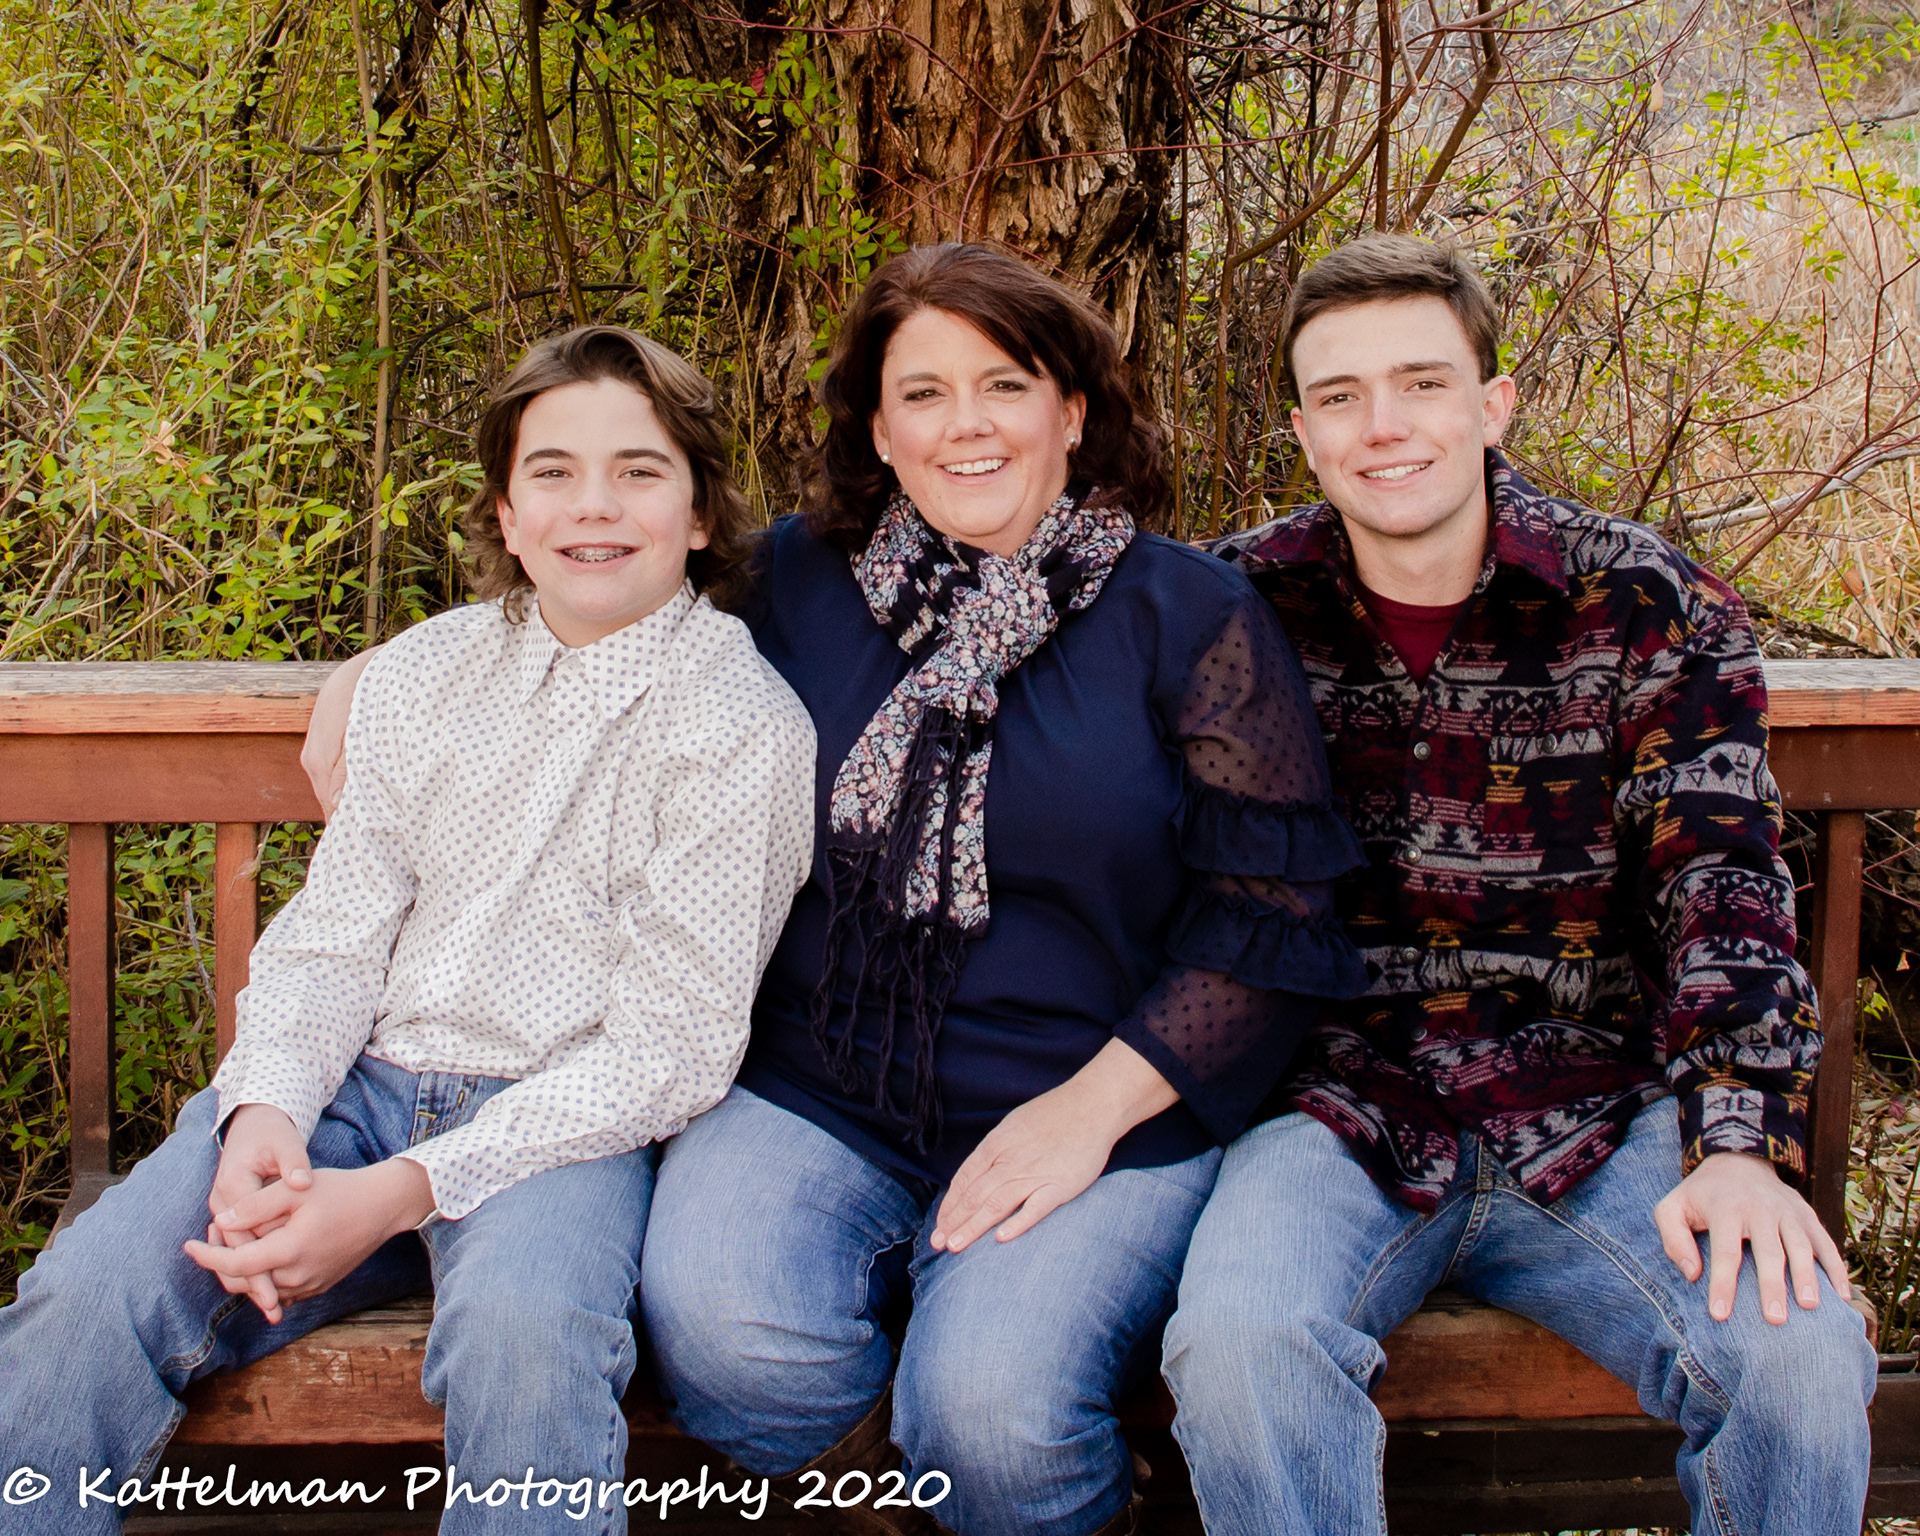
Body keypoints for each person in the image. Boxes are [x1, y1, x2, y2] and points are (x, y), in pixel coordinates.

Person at [299, 243, 1369, 1536]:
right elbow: (597, 595)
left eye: (1005, 385)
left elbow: (1268, 922)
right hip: (824, 1083)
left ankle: (1047, 1500)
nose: (965, 424)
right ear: (877, 428)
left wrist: (1088, 1113)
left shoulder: (1191, 618)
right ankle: (900, 1497)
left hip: (1092, 1099)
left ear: (1074, 411)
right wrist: (378, 669)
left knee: (993, 1421)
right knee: (727, 1335)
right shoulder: (794, 584)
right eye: (922, 393)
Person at [0, 326, 815, 1536]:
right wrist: (267, 1109)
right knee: (88, 1296)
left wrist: (396, 1195)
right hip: (353, 1091)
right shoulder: (423, 677)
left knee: (526, 1343)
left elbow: (669, 1052)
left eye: (640, 471)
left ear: (699, 513)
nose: (595, 505)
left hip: (564, 1130)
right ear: (507, 512)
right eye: (553, 472)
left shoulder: (738, 725)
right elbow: (333, 937)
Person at [1161, 233, 1877, 1535]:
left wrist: (1737, 1145)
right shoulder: (1232, 607)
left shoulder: (1643, 601)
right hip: (1335, 1106)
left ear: (1493, 405)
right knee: (1242, 1350)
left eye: (1423, 383)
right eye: (1341, 395)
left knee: (1801, 1363)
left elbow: (1722, 876)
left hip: (1599, 1106)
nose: (1385, 425)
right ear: (1305, 434)